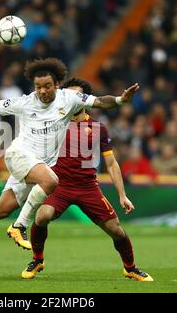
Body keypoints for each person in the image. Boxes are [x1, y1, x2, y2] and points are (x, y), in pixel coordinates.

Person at [0, 57, 140, 259]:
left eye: (47, 86)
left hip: (37, 165)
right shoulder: (25, 102)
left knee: (2, 209)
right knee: (51, 180)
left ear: (57, 85)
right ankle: (20, 226)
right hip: (19, 156)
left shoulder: (69, 99)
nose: (42, 91)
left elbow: (101, 102)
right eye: (38, 87)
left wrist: (121, 100)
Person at [20, 78, 153, 282]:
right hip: (59, 186)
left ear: (85, 100)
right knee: (42, 216)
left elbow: (111, 163)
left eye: (76, 95)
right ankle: (37, 259)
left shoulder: (98, 128)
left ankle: (131, 267)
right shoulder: (53, 123)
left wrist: (122, 195)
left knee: (116, 230)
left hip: (87, 187)